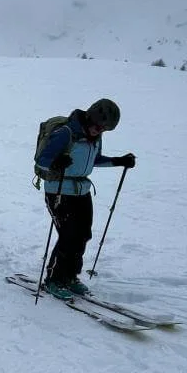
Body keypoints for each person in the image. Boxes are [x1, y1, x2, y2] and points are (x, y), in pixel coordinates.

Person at [33, 98, 135, 298]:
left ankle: (70, 277)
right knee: (68, 236)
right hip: (59, 190)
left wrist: (119, 161)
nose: (100, 131)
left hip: (82, 190)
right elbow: (41, 161)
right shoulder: (65, 133)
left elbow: (94, 160)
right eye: (98, 126)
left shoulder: (94, 138)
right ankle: (54, 279)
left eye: (104, 129)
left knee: (83, 235)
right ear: (89, 118)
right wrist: (56, 163)